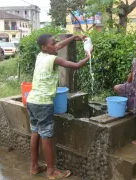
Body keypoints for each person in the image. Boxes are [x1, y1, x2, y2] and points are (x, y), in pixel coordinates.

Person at [26, 34, 91, 179]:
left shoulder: (40, 55)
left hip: (32, 101)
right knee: (46, 136)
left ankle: (34, 167)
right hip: (43, 104)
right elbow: (76, 66)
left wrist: (74, 37)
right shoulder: (52, 58)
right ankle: (51, 171)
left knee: (35, 132)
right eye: (52, 43)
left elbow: (60, 46)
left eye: (56, 42)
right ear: (45, 47)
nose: (56, 45)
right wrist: (88, 56)